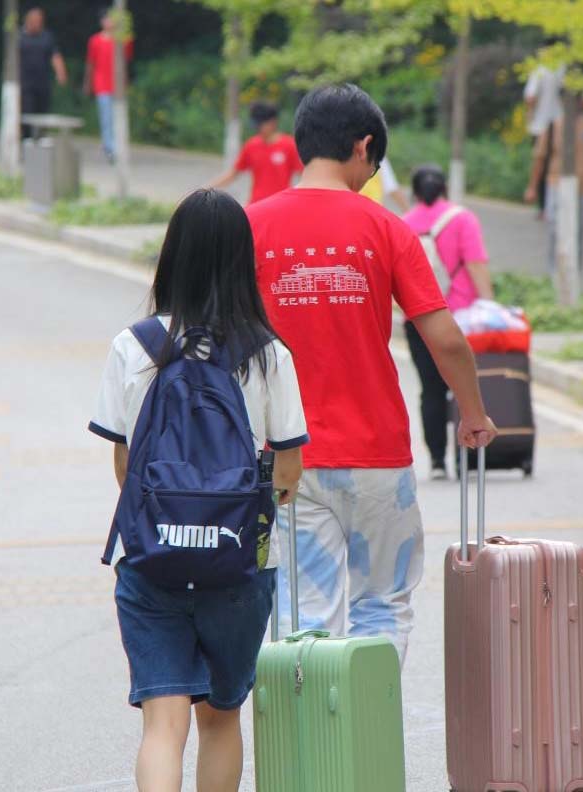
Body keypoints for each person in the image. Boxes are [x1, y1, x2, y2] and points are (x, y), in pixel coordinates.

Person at [245, 84, 497, 661]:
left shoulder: (251, 227)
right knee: (382, 605)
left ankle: (310, 720)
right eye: (374, 163)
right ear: (363, 146)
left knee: (302, 617)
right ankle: (372, 718)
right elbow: (445, 339)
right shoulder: (387, 228)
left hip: (285, 456)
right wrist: (473, 414)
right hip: (378, 456)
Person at [88, 189, 308, 792]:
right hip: (237, 566)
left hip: (150, 559)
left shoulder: (134, 345)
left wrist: (169, 514)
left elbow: (124, 465)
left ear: (172, 256)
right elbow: (288, 471)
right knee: (220, 719)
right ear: (242, 260)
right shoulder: (267, 352)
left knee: (163, 725)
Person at [401, 164, 493, 479]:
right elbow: (476, 265)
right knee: (464, 387)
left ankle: (438, 461)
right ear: (444, 189)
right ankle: (467, 457)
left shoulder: (403, 224)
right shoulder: (462, 219)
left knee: (430, 390)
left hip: (419, 319)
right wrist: (488, 305)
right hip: (462, 317)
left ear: (414, 192)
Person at [525, 96, 583, 275]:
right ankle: (553, 271)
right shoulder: (553, 125)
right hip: (555, 184)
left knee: (579, 231)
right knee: (554, 228)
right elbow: (539, 158)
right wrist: (532, 187)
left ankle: (573, 272)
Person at [208, 102, 303, 204]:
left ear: (273, 122)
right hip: (255, 204)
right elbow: (233, 174)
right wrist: (207, 189)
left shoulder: (289, 145)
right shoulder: (251, 145)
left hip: (280, 204)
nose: (257, 128)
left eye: (260, 124)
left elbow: (304, 175)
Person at [85, 8, 134, 164]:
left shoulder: (121, 40)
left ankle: (116, 145)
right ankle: (109, 147)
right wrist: (88, 83)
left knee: (117, 117)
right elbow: (91, 63)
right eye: (107, 19)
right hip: (102, 85)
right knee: (106, 118)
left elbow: (126, 61)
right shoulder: (95, 41)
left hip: (117, 85)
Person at [18, 7, 68, 139]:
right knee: (27, 109)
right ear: (28, 20)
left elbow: (55, 55)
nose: (37, 23)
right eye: (34, 20)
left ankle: (41, 136)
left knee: (42, 109)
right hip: (25, 81)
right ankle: (27, 137)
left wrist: (60, 72)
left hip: (43, 81)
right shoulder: (20, 36)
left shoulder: (47, 37)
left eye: (39, 21)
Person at [523, 62, 564, 207]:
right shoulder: (568, 69)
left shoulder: (540, 70)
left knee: (540, 163)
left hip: (541, 124)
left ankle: (542, 204)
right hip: (563, 124)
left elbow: (530, 97)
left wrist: (530, 115)